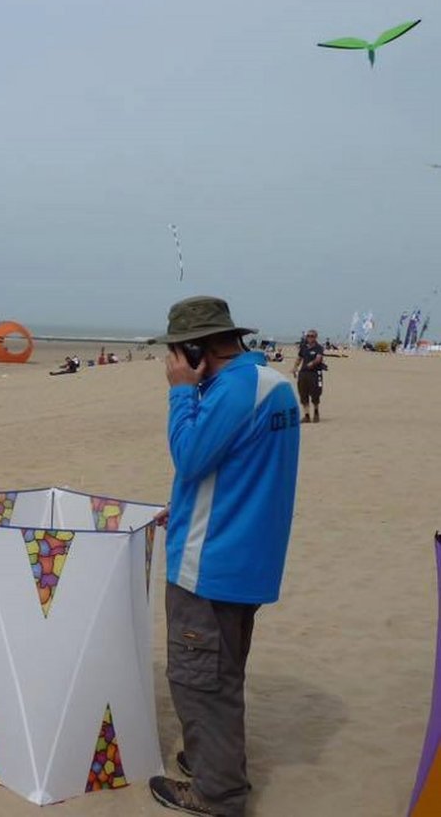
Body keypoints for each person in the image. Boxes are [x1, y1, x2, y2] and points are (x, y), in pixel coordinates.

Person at [148, 296, 300, 817]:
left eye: (175, 353)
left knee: (198, 680)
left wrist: (181, 394)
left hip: (209, 564)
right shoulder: (272, 385)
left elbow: (190, 456)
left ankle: (217, 793)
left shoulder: (230, 390)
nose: (169, 363)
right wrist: (184, 506)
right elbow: (239, 470)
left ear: (195, 349)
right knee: (223, 673)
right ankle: (213, 761)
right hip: (248, 558)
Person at [291, 329, 326, 423]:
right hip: (303, 373)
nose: (310, 338)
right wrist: (294, 367)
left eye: (312, 336)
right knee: (303, 394)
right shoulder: (303, 347)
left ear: (315, 337)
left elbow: (319, 358)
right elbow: (299, 358)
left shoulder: (319, 347)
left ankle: (316, 412)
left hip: (315, 373)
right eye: (308, 336)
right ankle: (306, 416)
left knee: (315, 394)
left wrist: (313, 363)